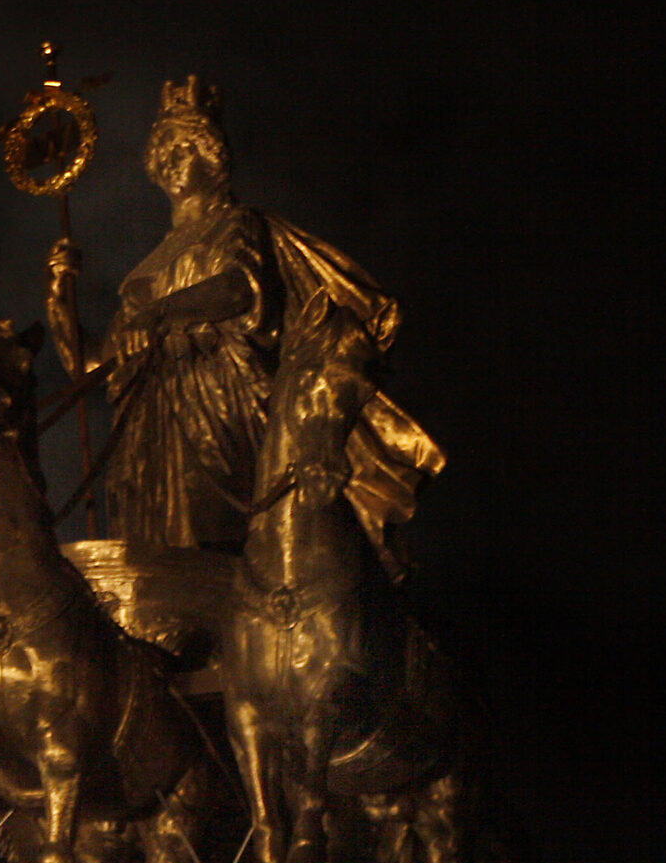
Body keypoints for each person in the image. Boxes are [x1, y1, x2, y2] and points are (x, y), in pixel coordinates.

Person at [45, 76, 443, 574]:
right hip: (147, 431)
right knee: (151, 557)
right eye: (163, 150)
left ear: (211, 157)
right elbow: (95, 361)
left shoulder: (237, 224)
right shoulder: (142, 272)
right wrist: (60, 298)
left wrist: (160, 314)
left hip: (213, 403)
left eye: (183, 147)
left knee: (210, 545)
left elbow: (240, 288)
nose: (170, 160)